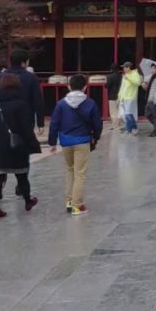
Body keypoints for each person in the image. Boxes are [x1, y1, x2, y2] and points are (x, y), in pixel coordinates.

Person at [0, 73, 41, 219]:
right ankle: (27, 200)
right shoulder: (22, 104)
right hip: (17, 146)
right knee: (21, 176)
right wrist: (33, 145)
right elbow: (27, 128)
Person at [48, 74, 102, 216]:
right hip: (82, 141)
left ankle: (69, 200)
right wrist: (96, 137)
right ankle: (77, 205)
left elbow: (54, 124)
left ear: (68, 86)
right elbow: (97, 123)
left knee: (69, 170)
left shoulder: (61, 104)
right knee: (80, 173)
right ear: (85, 87)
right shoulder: (90, 103)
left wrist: (52, 142)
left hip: (65, 141)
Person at [0, 49, 45, 132]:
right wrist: (40, 123)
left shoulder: (0, 76)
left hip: (3, 116)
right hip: (26, 116)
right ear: (23, 63)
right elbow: (37, 100)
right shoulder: (31, 77)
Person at [118, 61, 142, 136]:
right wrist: (119, 96)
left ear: (128, 67)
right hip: (124, 97)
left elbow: (138, 82)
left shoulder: (135, 74)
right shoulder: (125, 75)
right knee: (126, 114)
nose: (123, 69)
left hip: (130, 97)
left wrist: (129, 78)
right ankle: (131, 128)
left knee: (128, 114)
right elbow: (122, 87)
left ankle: (131, 129)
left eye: (125, 67)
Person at [105, 63, 122, 133]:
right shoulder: (121, 76)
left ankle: (115, 125)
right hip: (120, 95)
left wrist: (105, 84)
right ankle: (119, 124)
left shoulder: (109, 76)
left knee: (113, 111)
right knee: (119, 110)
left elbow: (107, 85)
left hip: (112, 96)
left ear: (111, 69)